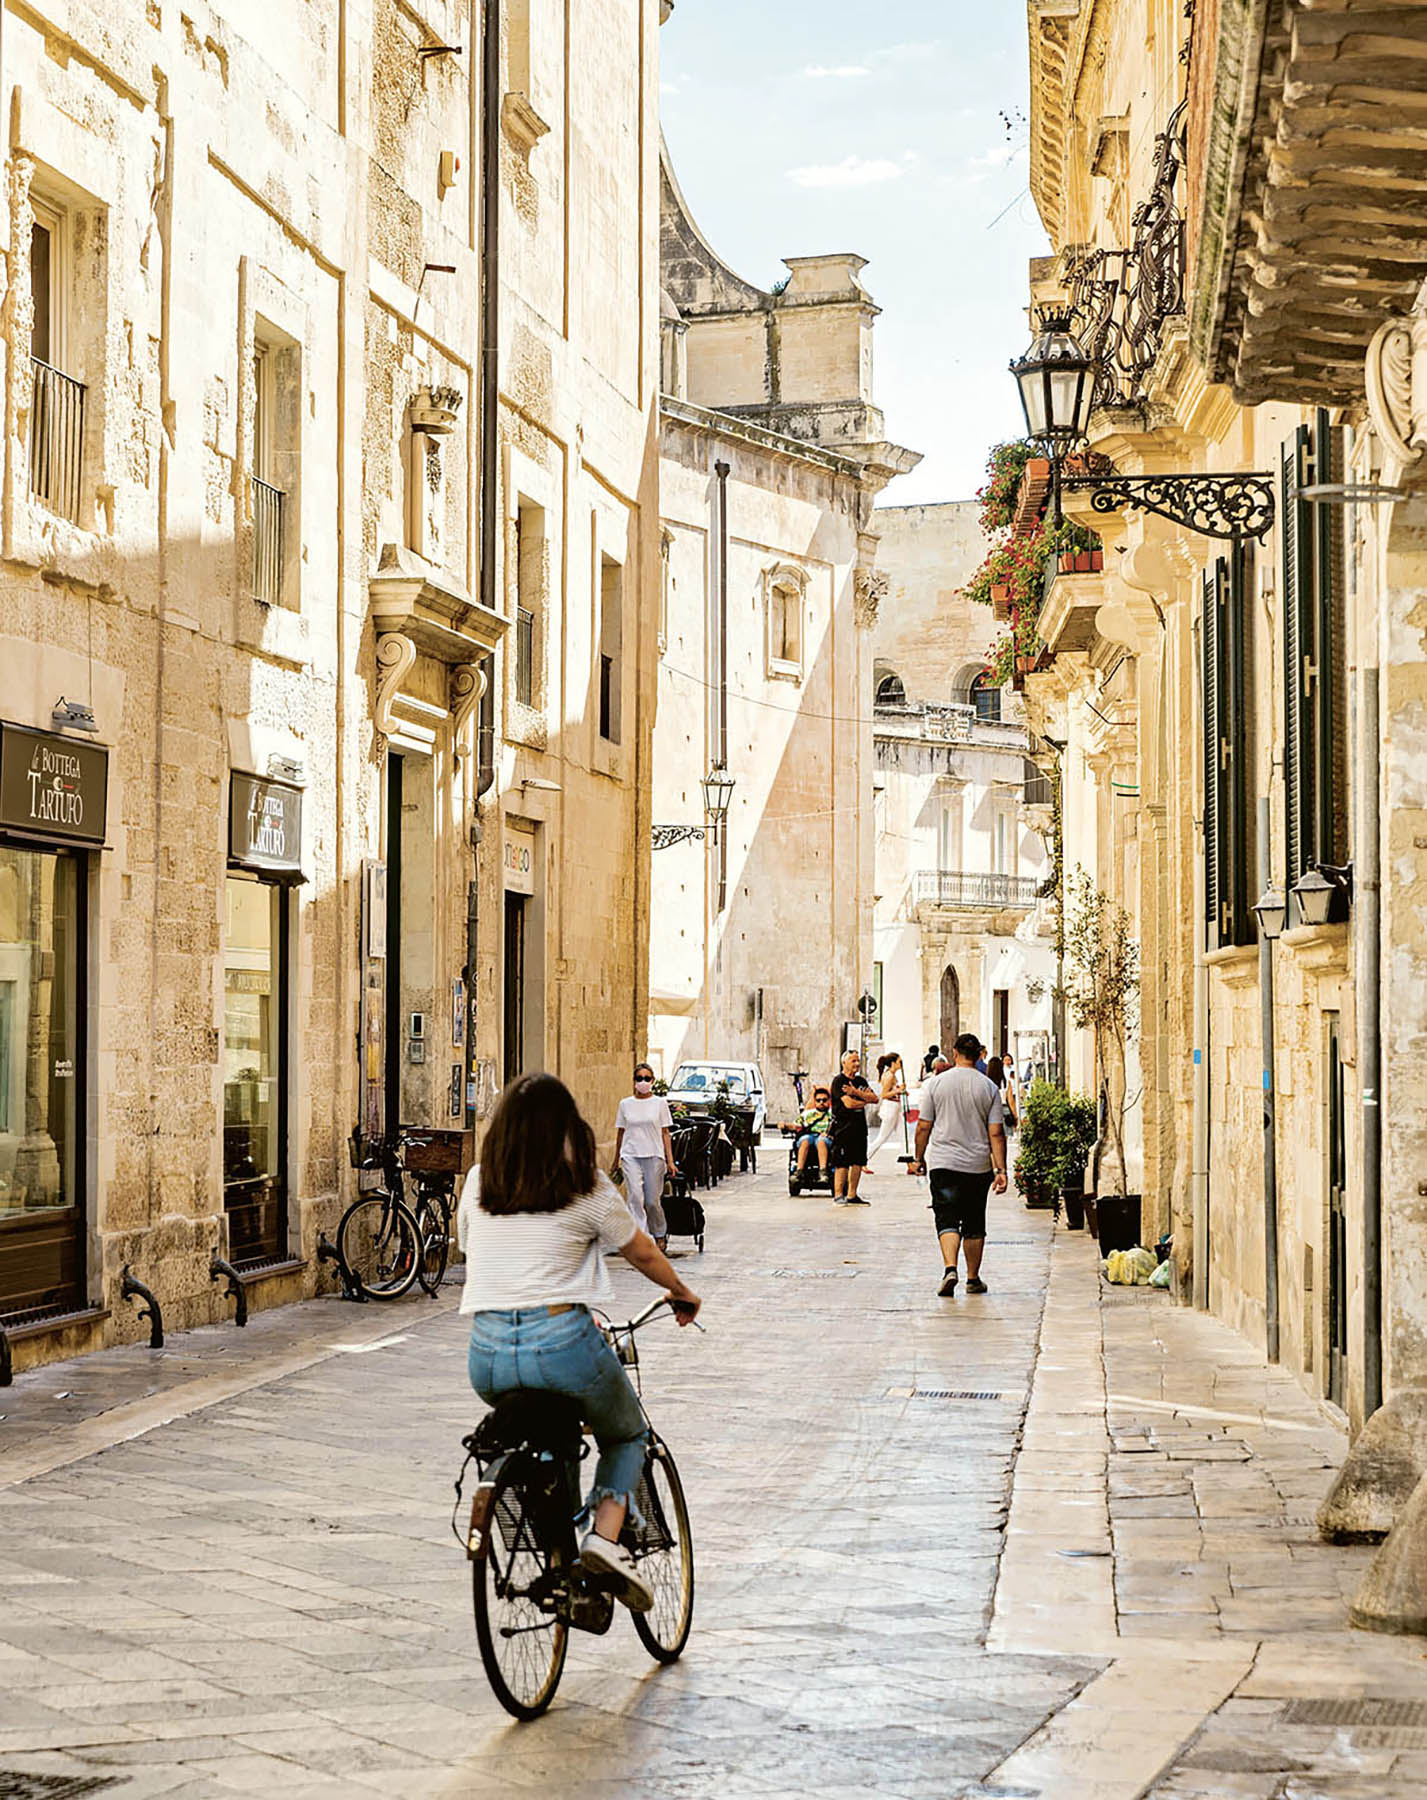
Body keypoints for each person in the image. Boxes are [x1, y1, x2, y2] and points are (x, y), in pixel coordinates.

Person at [458, 1072, 701, 1613]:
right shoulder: (586, 1187)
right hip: (561, 1341)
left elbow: (471, 1245)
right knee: (625, 1431)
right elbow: (640, 1252)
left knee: (553, 1438)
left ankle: (557, 1565)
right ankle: (603, 1542)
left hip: (487, 1354)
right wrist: (681, 1291)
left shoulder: (479, 1183)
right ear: (567, 1130)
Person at [913, 1032, 1007, 1299]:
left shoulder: (936, 1084)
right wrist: (1001, 1170)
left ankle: (950, 1268)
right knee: (975, 1222)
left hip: (943, 1163)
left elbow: (923, 1126)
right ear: (979, 1055)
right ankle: (973, 1278)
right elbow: (996, 1133)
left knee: (947, 1218)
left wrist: (919, 1158)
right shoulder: (988, 1087)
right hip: (977, 1166)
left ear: (954, 1053)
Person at [614, 1063, 677, 1248]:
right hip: (630, 1155)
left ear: (653, 1081)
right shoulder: (625, 1104)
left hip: (654, 1156)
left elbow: (666, 1133)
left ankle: (658, 1232)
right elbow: (621, 1132)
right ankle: (640, 1239)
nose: (643, 1082)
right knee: (634, 1197)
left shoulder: (659, 1103)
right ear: (634, 1081)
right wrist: (615, 1159)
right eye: (639, 1078)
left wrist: (670, 1161)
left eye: (646, 1078)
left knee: (651, 1201)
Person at [829, 1048, 878, 1204]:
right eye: (853, 1061)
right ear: (844, 1063)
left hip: (859, 1128)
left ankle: (852, 1194)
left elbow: (875, 1098)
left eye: (858, 1061)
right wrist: (863, 1100)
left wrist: (855, 1091)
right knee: (842, 1163)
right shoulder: (839, 1081)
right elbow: (849, 1104)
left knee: (858, 1162)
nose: (857, 1064)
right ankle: (838, 1195)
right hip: (843, 1128)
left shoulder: (860, 1082)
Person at [865, 1051, 907, 1169]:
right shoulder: (889, 1076)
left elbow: (892, 1090)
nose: (901, 1064)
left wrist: (901, 1091)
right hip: (890, 1108)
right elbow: (884, 1094)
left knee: (903, 1136)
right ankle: (863, 1159)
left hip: (895, 1108)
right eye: (899, 1062)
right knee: (882, 1138)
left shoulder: (891, 1075)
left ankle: (909, 1163)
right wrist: (898, 1091)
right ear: (893, 1063)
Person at [793, 1084, 834, 1177]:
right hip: (810, 1135)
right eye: (818, 1100)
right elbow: (796, 1125)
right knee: (805, 1139)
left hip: (825, 1137)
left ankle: (823, 1170)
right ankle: (799, 1170)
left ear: (829, 1101)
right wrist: (784, 1126)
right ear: (815, 1102)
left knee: (821, 1141)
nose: (821, 1102)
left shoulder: (832, 1114)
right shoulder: (808, 1114)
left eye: (824, 1100)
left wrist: (830, 1134)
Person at [986, 1055, 1018, 1131]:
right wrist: (1015, 1115)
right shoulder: (1005, 1082)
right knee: (1005, 1136)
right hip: (1004, 1109)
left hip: (990, 1110)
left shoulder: (985, 1082)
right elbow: (1010, 1100)